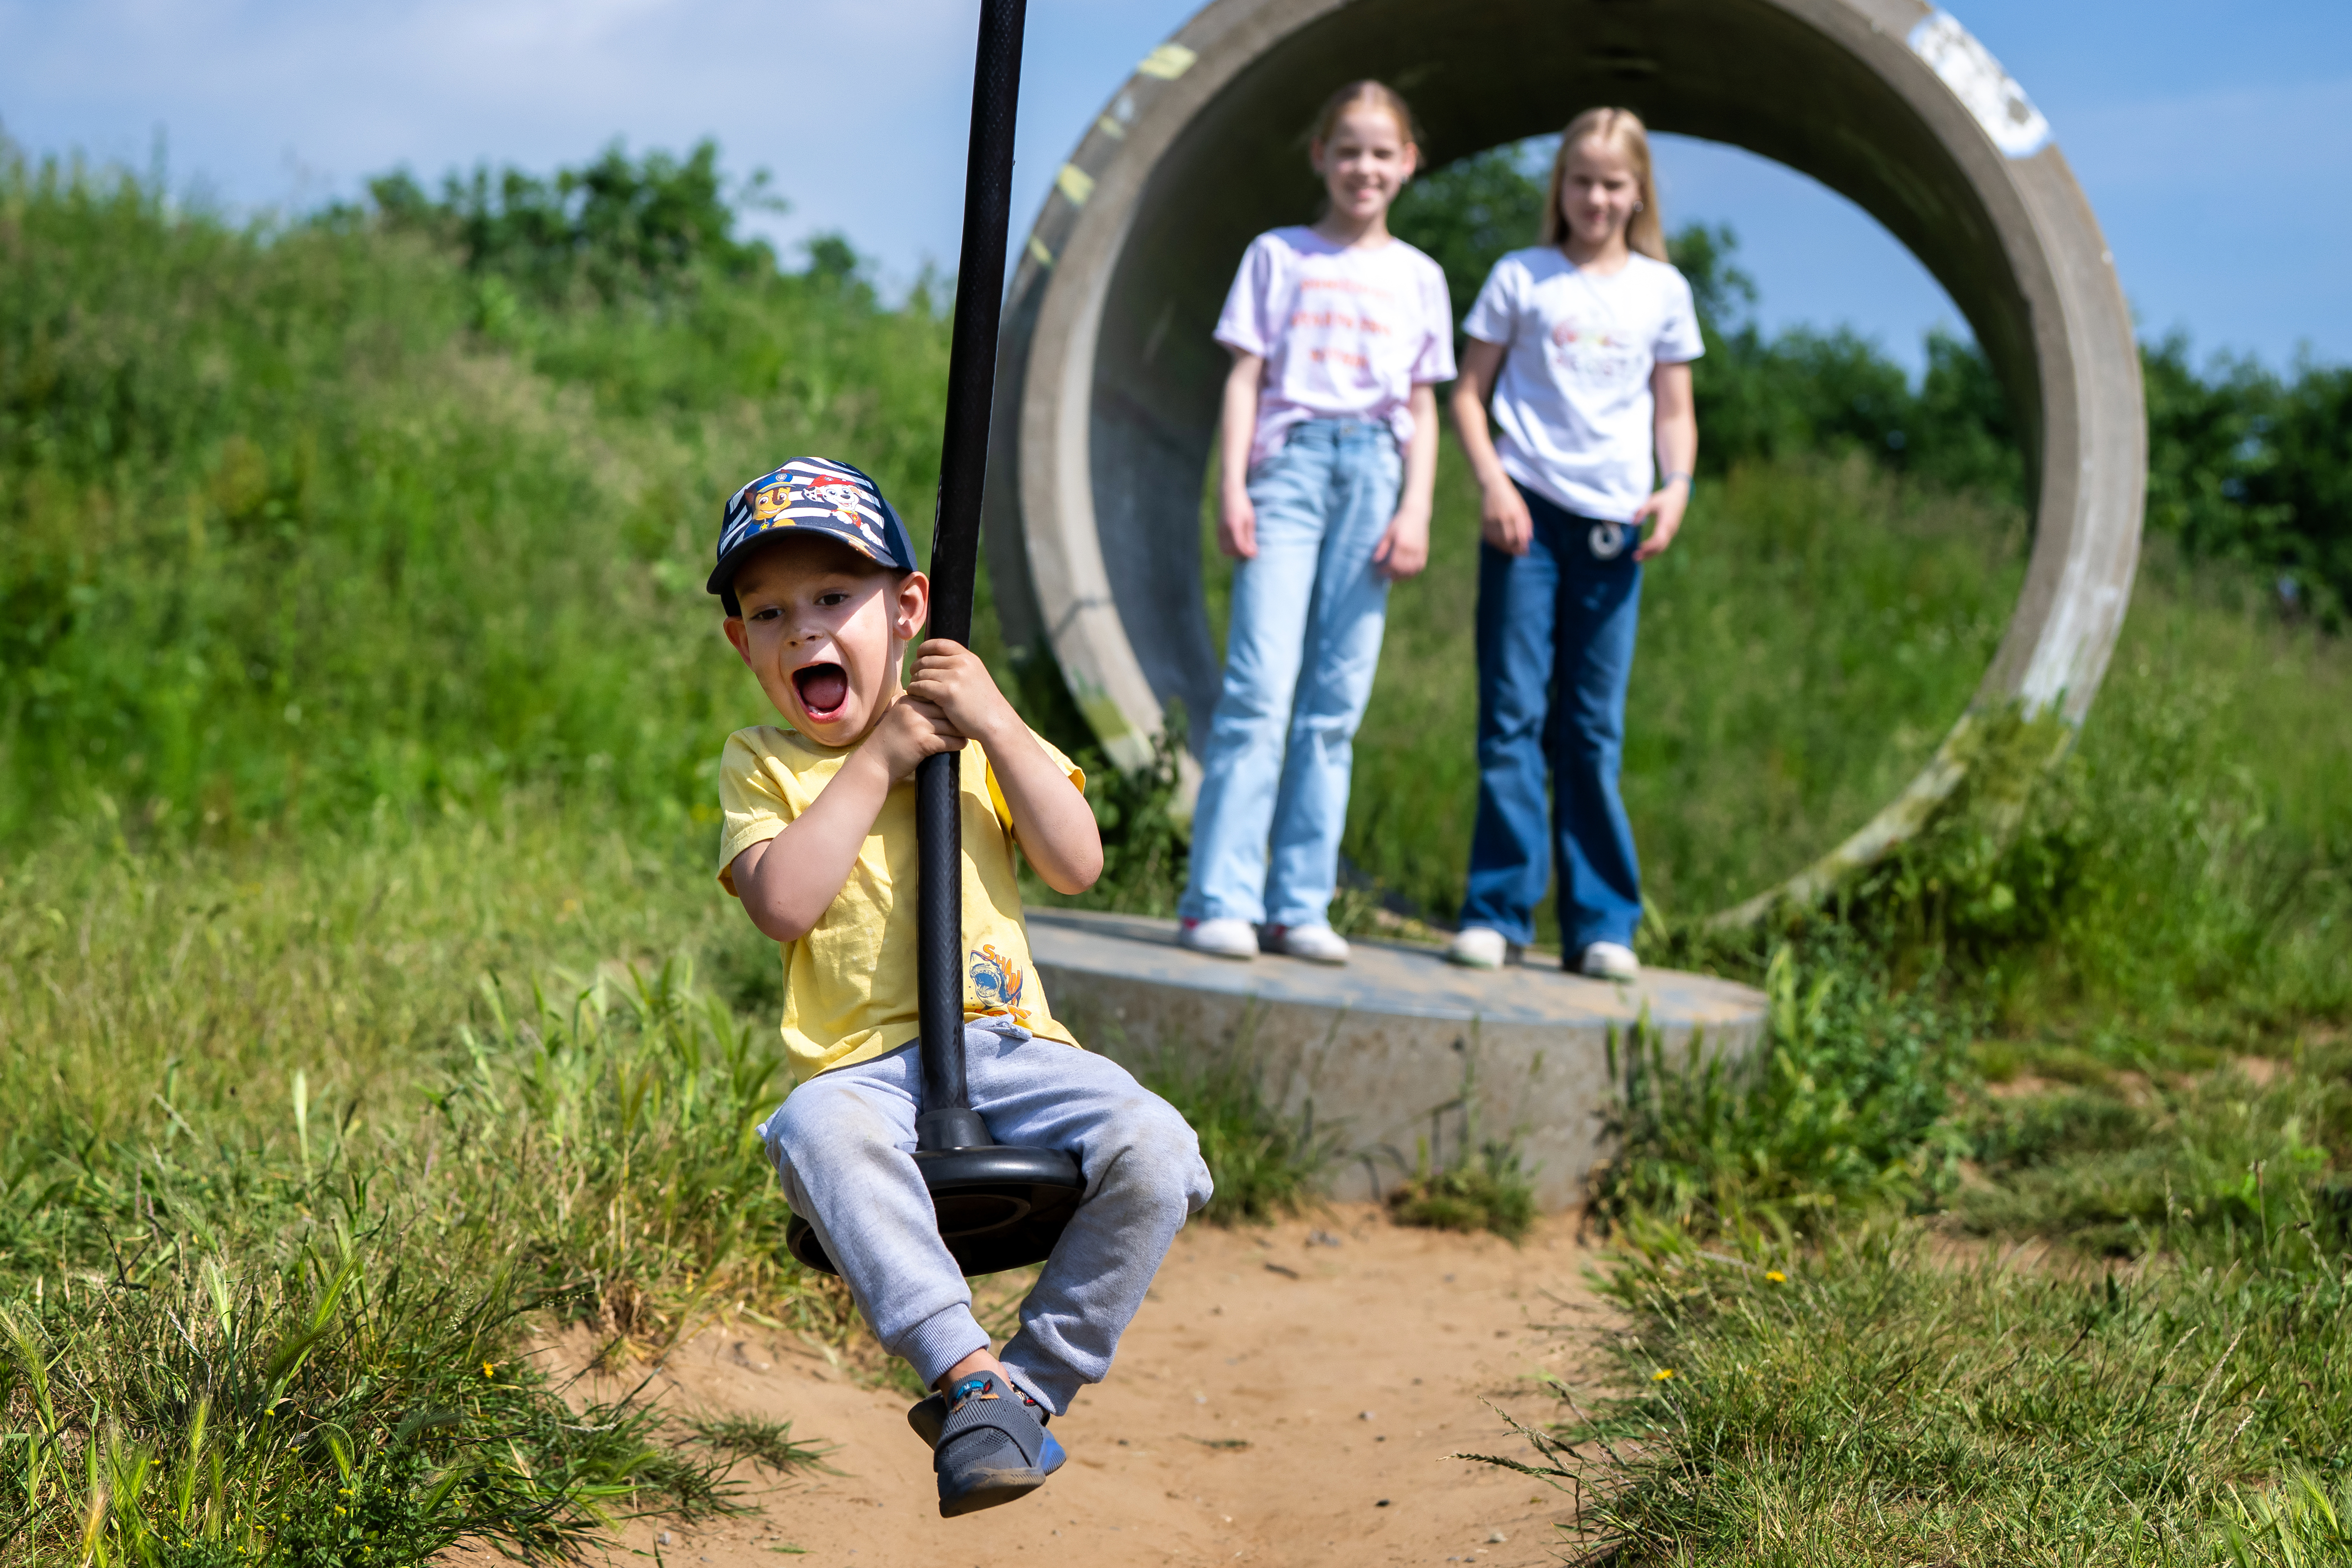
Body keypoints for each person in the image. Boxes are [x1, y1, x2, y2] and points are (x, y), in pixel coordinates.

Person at [706, 456, 1212, 1517]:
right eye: (771, 613)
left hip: (1018, 1051)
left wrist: (991, 723)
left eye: (834, 599)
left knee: (1160, 1149)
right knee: (808, 1128)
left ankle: (1024, 1390)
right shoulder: (763, 763)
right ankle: (962, 1366)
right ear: (740, 642)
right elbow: (783, 905)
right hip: (868, 1077)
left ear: (908, 609)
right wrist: (880, 760)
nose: (804, 631)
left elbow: (1078, 861)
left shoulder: (976, 736)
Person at [1175, 79, 1456, 968]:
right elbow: (1245, 380)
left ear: (1408, 163)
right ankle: (1219, 895)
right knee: (1260, 687)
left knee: (1335, 703)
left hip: (1377, 471)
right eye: (1349, 151)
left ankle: (1300, 904)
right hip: (1288, 470)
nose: (1364, 168)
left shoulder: (1422, 276)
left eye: (1382, 152)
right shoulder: (1279, 255)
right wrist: (1234, 487)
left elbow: (1426, 402)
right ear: (1321, 158)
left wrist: (1416, 506)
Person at [1445, 108, 1702, 982]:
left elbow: (1674, 408)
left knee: (1591, 728)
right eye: (1582, 181)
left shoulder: (1662, 290)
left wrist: (1677, 489)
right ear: (1561, 187)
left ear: (1638, 193)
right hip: (1526, 519)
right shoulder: (1523, 277)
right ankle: (1498, 909)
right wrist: (1493, 482)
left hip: (1615, 527)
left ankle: (1602, 922)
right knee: (1511, 719)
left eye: (1614, 184)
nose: (1597, 198)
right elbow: (1468, 394)